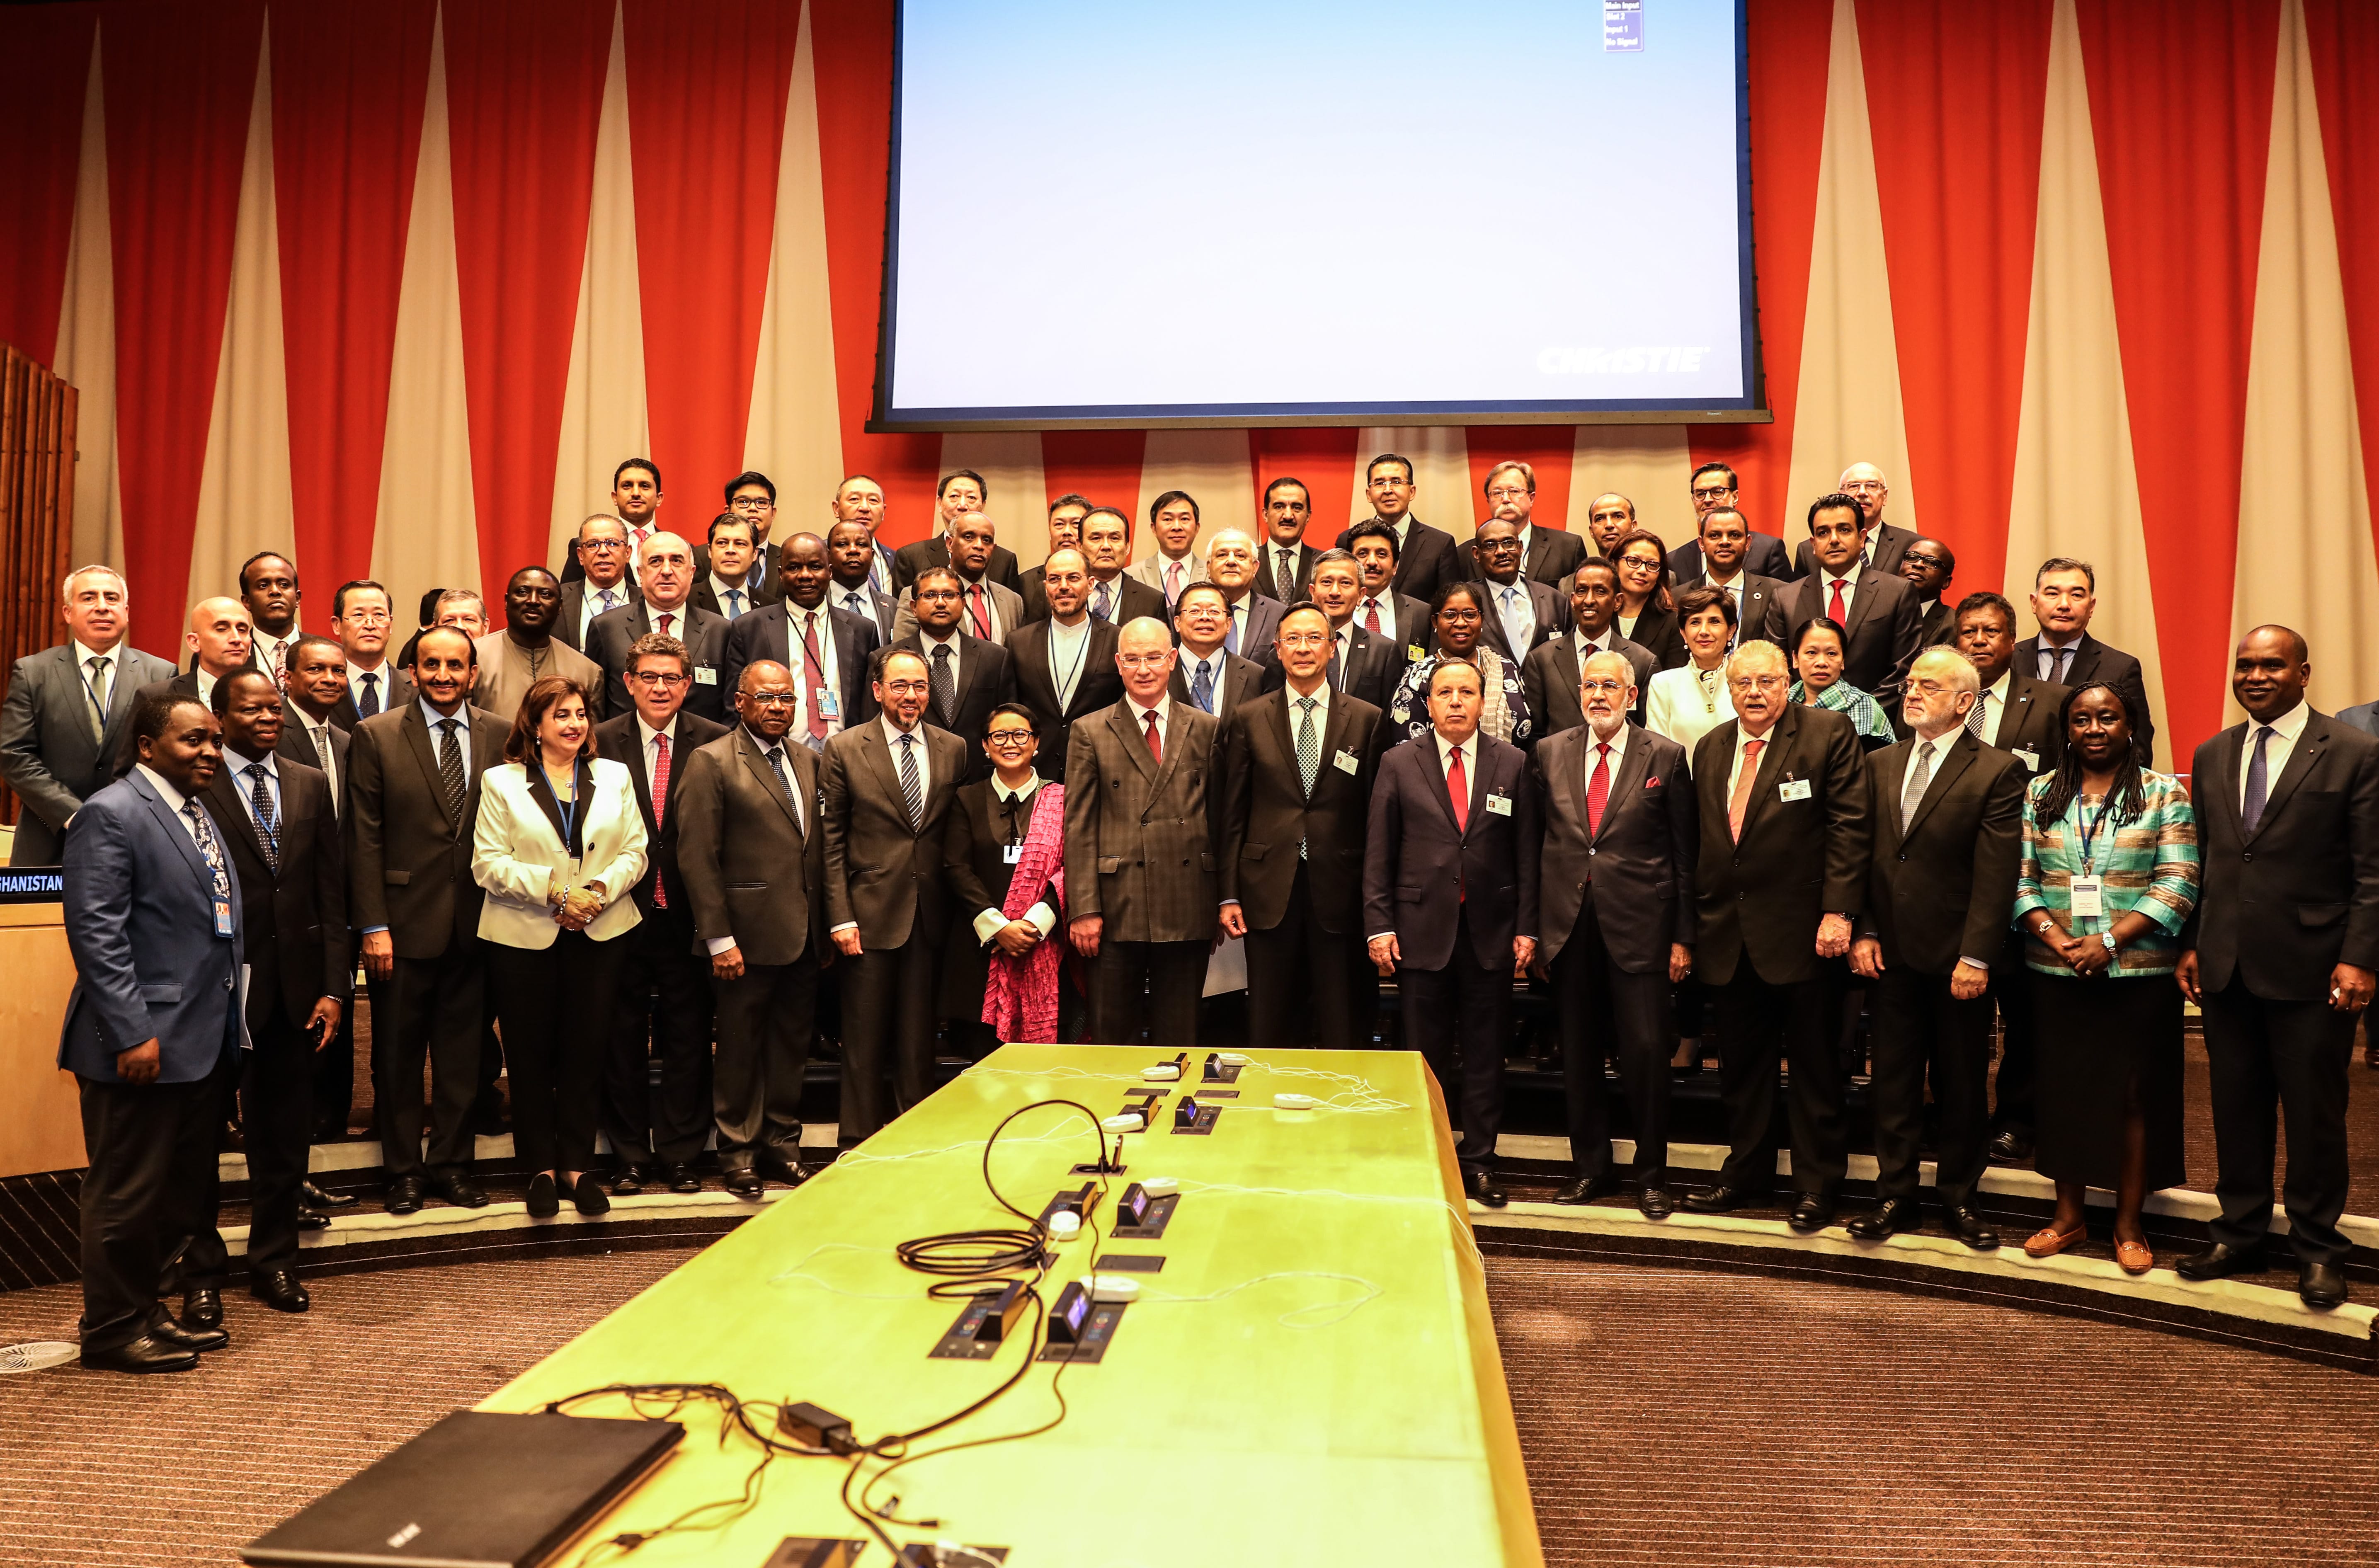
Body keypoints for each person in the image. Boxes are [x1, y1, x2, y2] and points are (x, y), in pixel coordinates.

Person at [2176, 628, 2379, 1309]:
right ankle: (2237, 1231)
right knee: (2234, 1108)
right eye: (2244, 664)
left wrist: (2357, 957)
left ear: (2302, 672)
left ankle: (2317, 1248)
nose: (2255, 675)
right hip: (2225, 966)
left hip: (2314, 970)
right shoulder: (2212, 753)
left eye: (2270, 664)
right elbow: (2205, 861)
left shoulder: (2353, 752)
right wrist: (2189, 942)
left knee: (2313, 1116)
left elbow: (2370, 872)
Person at [58, 694, 245, 1372]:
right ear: (146, 745)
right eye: (194, 740)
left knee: (168, 1196)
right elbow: (96, 933)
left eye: (216, 741)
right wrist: (131, 1030)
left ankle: (143, 1310)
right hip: (137, 1044)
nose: (211, 752)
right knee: (125, 1194)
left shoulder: (191, 810)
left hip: (197, 1038)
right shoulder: (112, 812)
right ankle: (110, 1328)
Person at [1683, 639, 1870, 1231]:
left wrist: (1839, 911)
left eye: (1766, 681)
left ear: (1786, 680)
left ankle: (1817, 1185)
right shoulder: (1711, 746)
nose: (1755, 693)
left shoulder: (1825, 732)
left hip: (1805, 934)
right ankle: (1745, 1174)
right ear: (1728, 688)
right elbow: (1704, 843)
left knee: (1815, 1069)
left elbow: (1848, 825)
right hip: (1728, 936)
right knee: (1741, 1069)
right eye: (1743, 683)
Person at [2011, 682, 2198, 1273]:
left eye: (2106, 718)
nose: (2093, 728)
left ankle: (2126, 1223)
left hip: (2137, 974)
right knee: (2061, 1093)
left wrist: (2109, 940)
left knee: (2133, 1098)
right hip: (2056, 970)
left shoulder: (2162, 791)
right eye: (2081, 719)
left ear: (2128, 725)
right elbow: (2020, 879)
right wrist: (2054, 936)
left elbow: (2178, 881)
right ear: (2065, 729)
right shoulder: (2040, 791)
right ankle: (2067, 1217)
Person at [1846, 647, 2024, 1250]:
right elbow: (1865, 856)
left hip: (1957, 963)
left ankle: (1958, 1197)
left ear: (1964, 701)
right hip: (1890, 955)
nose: (1912, 691)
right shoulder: (1880, 763)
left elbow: (1995, 874)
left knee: (1960, 1083)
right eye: (1910, 682)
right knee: (1892, 1083)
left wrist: (1976, 956)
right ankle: (1893, 1194)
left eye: (1929, 684)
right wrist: (1865, 929)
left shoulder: (1995, 770)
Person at [182, 671, 347, 1316]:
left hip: (295, 991)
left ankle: (273, 1261)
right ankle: (200, 1271)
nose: (267, 717)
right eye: (250, 709)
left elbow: (331, 895)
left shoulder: (309, 781)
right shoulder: (194, 782)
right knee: (198, 1138)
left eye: (273, 707)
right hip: (215, 993)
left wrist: (336, 985)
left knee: (283, 1138)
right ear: (221, 717)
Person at [1365, 657, 1539, 1207]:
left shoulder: (1511, 761)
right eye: (1446, 692)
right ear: (1429, 702)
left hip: (1490, 929)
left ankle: (1480, 1161)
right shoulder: (1397, 762)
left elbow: (1527, 855)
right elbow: (1378, 851)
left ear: (1481, 700)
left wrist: (1526, 928)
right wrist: (1378, 924)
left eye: (1467, 691)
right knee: (1424, 1055)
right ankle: (1429, 1158)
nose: (1457, 701)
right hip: (1419, 930)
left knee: (1486, 1054)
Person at [471, 676, 646, 1218]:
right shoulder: (501, 782)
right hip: (524, 934)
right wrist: (555, 890)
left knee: (586, 1049)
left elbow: (636, 850)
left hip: (600, 927)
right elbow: (487, 862)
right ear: (535, 724)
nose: (574, 724)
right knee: (529, 1054)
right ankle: (540, 1169)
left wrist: (594, 892)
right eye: (561, 715)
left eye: (579, 714)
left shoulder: (613, 775)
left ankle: (576, 1164)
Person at [348, 626, 507, 1214]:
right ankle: (403, 1171)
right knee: (397, 1056)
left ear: (473, 674)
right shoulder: (377, 734)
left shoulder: (500, 733)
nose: (443, 675)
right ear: (412, 670)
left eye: (455, 665)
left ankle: (451, 1165)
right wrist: (372, 924)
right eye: (431, 664)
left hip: (478, 924)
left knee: (463, 1059)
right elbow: (362, 838)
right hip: (402, 926)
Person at [1534, 650, 1695, 1217]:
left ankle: (1652, 1173)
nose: (1597, 694)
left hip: (1642, 928)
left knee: (1647, 1052)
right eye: (1589, 684)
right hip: (1568, 924)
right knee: (1577, 1053)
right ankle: (1590, 1168)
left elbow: (1683, 854)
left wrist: (1681, 935)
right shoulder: (1550, 751)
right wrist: (1534, 929)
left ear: (1631, 695)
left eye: (1610, 685)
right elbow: (1538, 845)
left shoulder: (1666, 756)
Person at [676, 662, 826, 1195]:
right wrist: (719, 938)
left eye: (787, 698)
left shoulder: (809, 760)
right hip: (741, 938)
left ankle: (781, 1145)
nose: (778, 707)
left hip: (803, 935)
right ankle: (737, 1152)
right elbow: (697, 858)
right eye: (766, 698)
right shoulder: (712, 761)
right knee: (739, 1050)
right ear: (740, 702)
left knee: (790, 1047)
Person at [594, 633, 729, 1195]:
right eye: (648, 677)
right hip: (618, 910)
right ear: (628, 683)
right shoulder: (597, 741)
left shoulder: (716, 742)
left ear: (687, 684)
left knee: (689, 1037)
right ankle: (628, 1154)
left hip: (687, 912)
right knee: (619, 1037)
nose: (659, 687)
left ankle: (680, 1153)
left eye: (671, 677)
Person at [1220, 603, 1385, 1050]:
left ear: (1333, 648)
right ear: (1277, 649)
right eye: (1293, 639)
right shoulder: (1248, 717)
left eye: (1315, 638)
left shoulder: (1367, 719)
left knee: (1342, 1021)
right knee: (1271, 1023)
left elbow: (1376, 816)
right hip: (1267, 889)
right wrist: (1229, 893)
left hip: (1341, 889)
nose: (1304, 648)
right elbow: (1233, 812)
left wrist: (1376, 901)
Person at [822, 649, 968, 1141]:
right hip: (866, 915)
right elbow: (832, 840)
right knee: (862, 1039)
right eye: (901, 685)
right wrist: (840, 916)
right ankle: (856, 1140)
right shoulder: (844, 748)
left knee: (918, 1040)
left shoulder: (954, 748)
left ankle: (914, 1138)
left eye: (921, 686)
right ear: (878, 690)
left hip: (930, 917)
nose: (911, 696)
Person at [1065, 618, 1224, 1045]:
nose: (1144, 669)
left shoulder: (1206, 728)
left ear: (1172, 660)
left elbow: (1222, 820)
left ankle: (1177, 1112)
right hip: (1116, 906)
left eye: (1154, 657)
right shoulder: (1090, 730)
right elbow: (1078, 826)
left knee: (1181, 1036)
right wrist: (1083, 909)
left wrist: (1222, 898)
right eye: (1132, 659)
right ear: (1118, 664)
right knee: (1113, 1037)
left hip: (1188, 899)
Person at [1, 565, 176, 865]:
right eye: (89, 598)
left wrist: (120, 814)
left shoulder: (161, 674)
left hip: (134, 839)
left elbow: (164, 757)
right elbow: (14, 754)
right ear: (68, 612)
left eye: (111, 598)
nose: (102, 607)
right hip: (50, 840)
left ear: (126, 610)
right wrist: (73, 814)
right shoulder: (32, 672)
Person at [943, 704, 1072, 1048]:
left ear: (1036, 743)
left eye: (1020, 734)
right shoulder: (966, 798)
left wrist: (1034, 925)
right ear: (985, 745)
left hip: (1047, 946)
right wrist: (999, 928)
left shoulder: (1063, 800)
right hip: (979, 953)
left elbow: (1073, 867)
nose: (1009, 743)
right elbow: (956, 867)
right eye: (999, 735)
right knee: (984, 1070)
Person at [718, 532, 882, 750]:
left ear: (830, 572)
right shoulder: (749, 628)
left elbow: (870, 705)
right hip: (772, 755)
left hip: (847, 757)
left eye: (815, 567)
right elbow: (734, 707)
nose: (805, 575)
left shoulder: (862, 629)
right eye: (794, 568)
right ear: (781, 574)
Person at [1784, 492, 1922, 716]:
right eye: (1823, 533)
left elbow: (1904, 668)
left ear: (1862, 538)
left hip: (1874, 729)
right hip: (1800, 726)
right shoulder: (1786, 598)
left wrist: (1861, 713)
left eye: (1844, 530)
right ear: (1813, 543)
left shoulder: (1897, 593)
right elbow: (1780, 669)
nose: (1834, 539)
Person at [2016, 557, 2155, 766]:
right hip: (2017, 793)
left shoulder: (2121, 668)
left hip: (2092, 794)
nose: (2064, 605)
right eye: (2053, 594)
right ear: (2034, 603)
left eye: (2077, 595)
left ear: (2091, 607)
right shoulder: (2010, 660)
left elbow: (2139, 750)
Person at [586, 531, 730, 724]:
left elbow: (730, 709)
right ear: (640, 573)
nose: (667, 571)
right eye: (656, 561)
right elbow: (593, 707)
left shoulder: (721, 631)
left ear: (692, 573)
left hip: (703, 749)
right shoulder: (606, 628)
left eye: (677, 561)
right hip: (624, 750)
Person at [1006, 547, 1123, 783]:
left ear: (1091, 585)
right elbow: (1011, 711)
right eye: (1054, 579)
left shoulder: (1117, 641)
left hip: (1100, 771)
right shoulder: (1019, 642)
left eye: (1073, 578)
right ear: (1045, 586)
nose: (1063, 586)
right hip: (1035, 772)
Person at [894, 565, 1017, 780]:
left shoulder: (995, 658)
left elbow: (1008, 724)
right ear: (913, 607)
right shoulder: (889, 661)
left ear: (963, 602)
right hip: (911, 779)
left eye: (950, 595)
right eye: (930, 595)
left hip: (979, 781)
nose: (940, 602)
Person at [114, 597, 255, 771]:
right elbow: (127, 771)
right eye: (221, 629)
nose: (236, 638)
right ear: (194, 642)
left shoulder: (270, 703)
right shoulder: (157, 696)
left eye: (242, 630)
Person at [1387, 584, 1532, 748]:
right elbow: (1408, 748)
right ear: (1435, 622)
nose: (1461, 623)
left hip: (1509, 770)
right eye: (1450, 616)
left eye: (1470, 615)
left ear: (1482, 620)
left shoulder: (1506, 669)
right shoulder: (1417, 677)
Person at [1523, 560, 1658, 737]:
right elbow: (1535, 734)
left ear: (1618, 601)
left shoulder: (1643, 662)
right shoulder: (1541, 659)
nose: (1589, 600)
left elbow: (1646, 735)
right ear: (1572, 600)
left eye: (1600, 591)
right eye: (1581, 591)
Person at [475, 567, 606, 723]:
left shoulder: (587, 672)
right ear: (506, 601)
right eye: (523, 592)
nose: (533, 601)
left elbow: (591, 740)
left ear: (560, 607)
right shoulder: (474, 657)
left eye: (545, 595)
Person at [1335, 453, 1460, 603]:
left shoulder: (1440, 545)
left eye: (1396, 482)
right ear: (1369, 494)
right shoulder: (1347, 540)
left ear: (1412, 492)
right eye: (1380, 483)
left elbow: (1450, 604)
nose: (1388, 490)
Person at [892, 511, 1024, 643]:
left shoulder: (1013, 601)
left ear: (993, 548)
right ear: (950, 544)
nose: (979, 546)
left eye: (986, 540)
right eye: (968, 537)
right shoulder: (918, 595)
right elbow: (903, 653)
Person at [1670, 508, 1790, 647]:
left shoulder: (1777, 593)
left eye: (1734, 535)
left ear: (1748, 543)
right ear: (1701, 544)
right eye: (1715, 535)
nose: (1725, 542)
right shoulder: (1678, 597)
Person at [1307, 547, 1407, 713]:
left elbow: (1389, 716)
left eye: (1346, 583)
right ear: (1313, 591)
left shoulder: (1383, 651)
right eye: (1326, 582)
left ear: (1361, 595)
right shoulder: (1291, 645)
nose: (1335, 592)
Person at [1642, 586, 1738, 759]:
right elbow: (1658, 752)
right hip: (1681, 783)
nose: (1704, 631)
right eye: (1695, 622)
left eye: (1714, 621)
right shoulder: (1663, 684)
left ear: (1731, 631)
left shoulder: (1745, 681)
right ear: (1684, 634)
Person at [892, 470, 1023, 593]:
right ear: (940, 503)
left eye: (971, 498)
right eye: (954, 496)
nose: (962, 505)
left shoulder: (1005, 560)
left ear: (983, 505)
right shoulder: (912, 557)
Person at [1465, 461, 1585, 586]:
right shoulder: (1465, 554)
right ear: (1488, 500)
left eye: (1515, 491)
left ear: (1531, 498)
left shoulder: (1568, 548)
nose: (1506, 499)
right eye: (1497, 493)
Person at [1470, 517, 1569, 667]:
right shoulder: (1466, 601)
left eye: (1509, 543)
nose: (1501, 552)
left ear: (1521, 548)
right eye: (1490, 546)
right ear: (1477, 554)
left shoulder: (1555, 601)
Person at [1791, 461, 1917, 579]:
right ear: (1840, 495)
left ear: (1885, 496)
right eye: (1854, 486)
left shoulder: (1912, 545)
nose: (1862, 493)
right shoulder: (1808, 551)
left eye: (1872, 486)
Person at [1669, 466, 1795, 582]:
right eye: (1700, 494)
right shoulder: (1675, 560)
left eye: (1718, 491)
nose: (1707, 500)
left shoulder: (1768, 549)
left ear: (1735, 497)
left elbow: (1784, 599)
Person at [1789, 616, 1897, 749]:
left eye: (1832, 654)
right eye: (1812, 652)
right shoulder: (1781, 703)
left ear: (1843, 662)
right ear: (1795, 659)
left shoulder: (1863, 705)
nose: (1822, 663)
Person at [1169, 583, 1263, 719]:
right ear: (1177, 623)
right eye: (1195, 611)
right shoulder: (1159, 669)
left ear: (1229, 624)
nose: (1205, 617)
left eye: (1214, 612)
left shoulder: (1256, 676)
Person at [327, 579, 413, 729]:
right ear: (337, 625)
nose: (370, 625)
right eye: (359, 615)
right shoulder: (321, 687)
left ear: (391, 625)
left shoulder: (416, 689)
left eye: (379, 615)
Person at [1343, 520, 1431, 659]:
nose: (1372, 562)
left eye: (1382, 554)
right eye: (1362, 554)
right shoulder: (1333, 609)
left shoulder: (1421, 614)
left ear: (1395, 566)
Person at [558, 515, 642, 649]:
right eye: (593, 545)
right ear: (581, 555)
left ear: (628, 553)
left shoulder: (647, 601)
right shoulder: (557, 600)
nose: (603, 552)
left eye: (613, 544)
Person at [1610, 528, 1688, 669]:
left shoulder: (1672, 622)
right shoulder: (1601, 614)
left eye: (1652, 565)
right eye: (1633, 561)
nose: (1642, 571)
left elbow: (1674, 677)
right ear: (1615, 564)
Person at [1078, 506, 1169, 626]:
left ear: (1127, 547)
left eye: (1115, 538)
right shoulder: (1063, 592)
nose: (1106, 546)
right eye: (1096, 538)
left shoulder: (1152, 601)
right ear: (1079, 546)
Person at [1202, 528, 1282, 660]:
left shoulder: (1279, 615)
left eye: (1240, 556)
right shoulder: (1185, 614)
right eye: (1222, 555)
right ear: (1209, 568)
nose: (1232, 561)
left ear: (1255, 568)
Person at [1127, 489, 1208, 613]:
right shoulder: (1131, 576)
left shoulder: (1212, 575)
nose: (1177, 527)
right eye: (1168, 520)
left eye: (1185, 519)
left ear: (1197, 528)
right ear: (1154, 528)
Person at [1017, 493, 1093, 613]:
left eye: (1076, 524)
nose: (1067, 532)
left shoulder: (1101, 575)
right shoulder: (1026, 582)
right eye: (1059, 525)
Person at [825, 473, 898, 597]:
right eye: (854, 499)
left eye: (873, 500)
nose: (865, 507)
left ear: (884, 512)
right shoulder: (818, 554)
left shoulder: (896, 559)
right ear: (836, 509)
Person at [825, 517, 899, 638]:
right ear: (828, 556)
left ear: (872, 556)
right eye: (843, 544)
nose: (853, 550)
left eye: (861, 544)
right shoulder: (816, 602)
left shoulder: (893, 607)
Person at [238, 552, 305, 682]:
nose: (275, 591)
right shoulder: (229, 653)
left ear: (297, 599)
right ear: (247, 601)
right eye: (263, 586)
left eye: (284, 585)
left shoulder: (332, 652)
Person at [693, 512, 771, 621]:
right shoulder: (687, 601)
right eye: (722, 543)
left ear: (755, 554)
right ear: (710, 551)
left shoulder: (770, 607)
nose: (730, 550)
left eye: (740, 544)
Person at [1255, 477, 1317, 603]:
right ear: (1266, 515)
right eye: (1279, 507)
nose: (1288, 516)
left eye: (1297, 508)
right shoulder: (1247, 562)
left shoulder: (1323, 563)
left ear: (1308, 517)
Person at [1899, 538, 1958, 647]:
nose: (1918, 564)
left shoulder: (1954, 625)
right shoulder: (1878, 610)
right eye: (1912, 557)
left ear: (1946, 582)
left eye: (1931, 562)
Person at [1582, 492, 1639, 563]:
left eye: (1618, 517)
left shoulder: (1649, 572)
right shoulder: (1582, 574)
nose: (1609, 525)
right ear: (1591, 531)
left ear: (1633, 526)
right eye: (1600, 519)